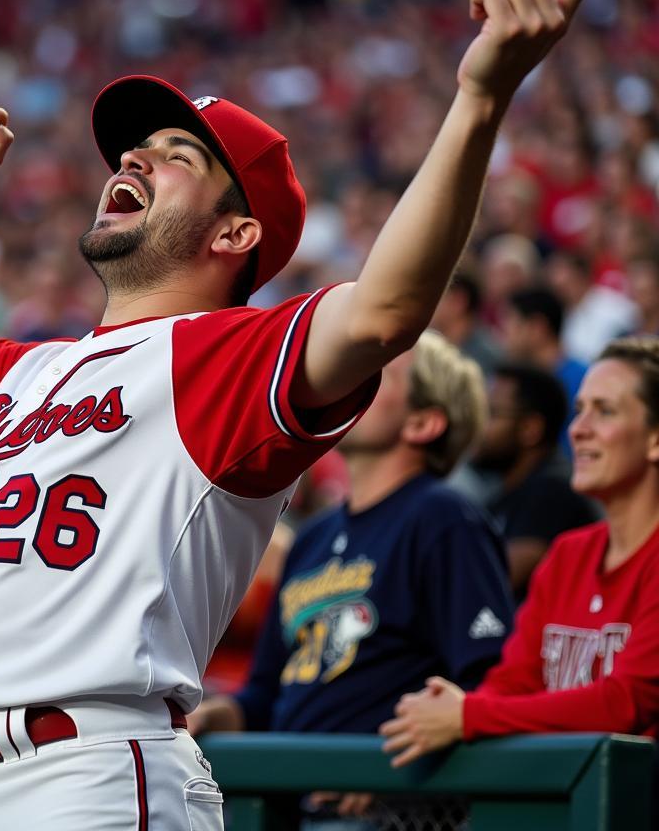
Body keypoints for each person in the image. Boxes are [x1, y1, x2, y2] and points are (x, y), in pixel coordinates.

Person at [0, 0, 592, 829]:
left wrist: (479, 95)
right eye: (136, 150)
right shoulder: (25, 366)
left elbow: (388, 309)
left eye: (176, 156)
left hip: (88, 775)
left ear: (235, 237)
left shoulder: (227, 356)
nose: (135, 160)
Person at [187, 331, 514, 828]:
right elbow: (266, 693)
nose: (355, 380)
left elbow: (484, 678)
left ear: (423, 422)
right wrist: (219, 714)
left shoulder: (444, 519)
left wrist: (388, 770)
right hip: (284, 797)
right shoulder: (314, 536)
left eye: (381, 373)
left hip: (385, 809)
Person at [381, 336, 659, 768]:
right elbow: (513, 680)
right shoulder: (569, 554)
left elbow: (625, 704)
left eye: (604, 411)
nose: (578, 429)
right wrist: (438, 720)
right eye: (579, 409)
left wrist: (469, 715)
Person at [471, 362, 597, 599]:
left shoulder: (551, 493)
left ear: (531, 428)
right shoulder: (503, 496)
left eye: (491, 413)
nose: (478, 426)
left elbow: (489, 583)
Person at [499, 286, 587, 432]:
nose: (503, 335)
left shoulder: (583, 380)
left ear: (537, 328)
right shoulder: (518, 379)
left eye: (511, 324)